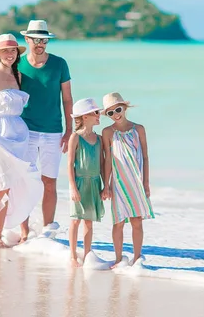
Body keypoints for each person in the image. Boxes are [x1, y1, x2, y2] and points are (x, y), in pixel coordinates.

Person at [0, 34, 43, 248]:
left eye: (13, 50)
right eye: (5, 51)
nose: (10, 54)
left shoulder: (19, 77)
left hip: (18, 133)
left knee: (11, 185)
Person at [18, 20, 74, 229]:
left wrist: (70, 131)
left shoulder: (60, 64)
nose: (40, 43)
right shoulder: (18, 64)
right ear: (27, 39)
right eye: (35, 40)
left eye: (44, 40)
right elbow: (4, 92)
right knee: (25, 182)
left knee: (49, 182)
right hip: (26, 131)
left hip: (53, 132)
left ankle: (46, 231)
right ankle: (24, 231)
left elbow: (67, 99)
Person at [101, 92, 154, 267]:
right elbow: (108, 159)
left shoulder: (139, 129)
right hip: (118, 183)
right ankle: (118, 259)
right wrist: (106, 185)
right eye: (110, 113)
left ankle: (137, 259)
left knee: (136, 221)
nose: (116, 114)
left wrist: (146, 182)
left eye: (118, 109)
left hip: (136, 182)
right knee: (118, 222)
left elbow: (145, 157)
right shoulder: (107, 132)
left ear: (124, 108)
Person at [66, 98, 105, 267]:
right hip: (79, 182)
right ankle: (73, 256)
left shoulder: (100, 139)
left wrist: (106, 186)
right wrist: (73, 187)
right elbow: (69, 165)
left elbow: (103, 164)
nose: (99, 116)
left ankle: (88, 254)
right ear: (84, 116)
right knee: (76, 219)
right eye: (95, 113)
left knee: (89, 221)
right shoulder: (75, 137)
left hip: (95, 183)